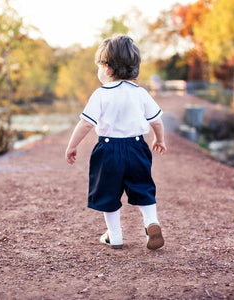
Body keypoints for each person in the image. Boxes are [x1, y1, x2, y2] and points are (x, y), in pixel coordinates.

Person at [65, 35, 167, 250]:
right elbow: (156, 121)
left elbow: (85, 124)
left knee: (108, 192)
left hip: (108, 150)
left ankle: (115, 235)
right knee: (143, 188)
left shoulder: (101, 94)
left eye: (100, 66)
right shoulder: (140, 93)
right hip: (137, 148)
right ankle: (151, 222)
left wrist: (72, 145)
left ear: (108, 69)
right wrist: (159, 139)